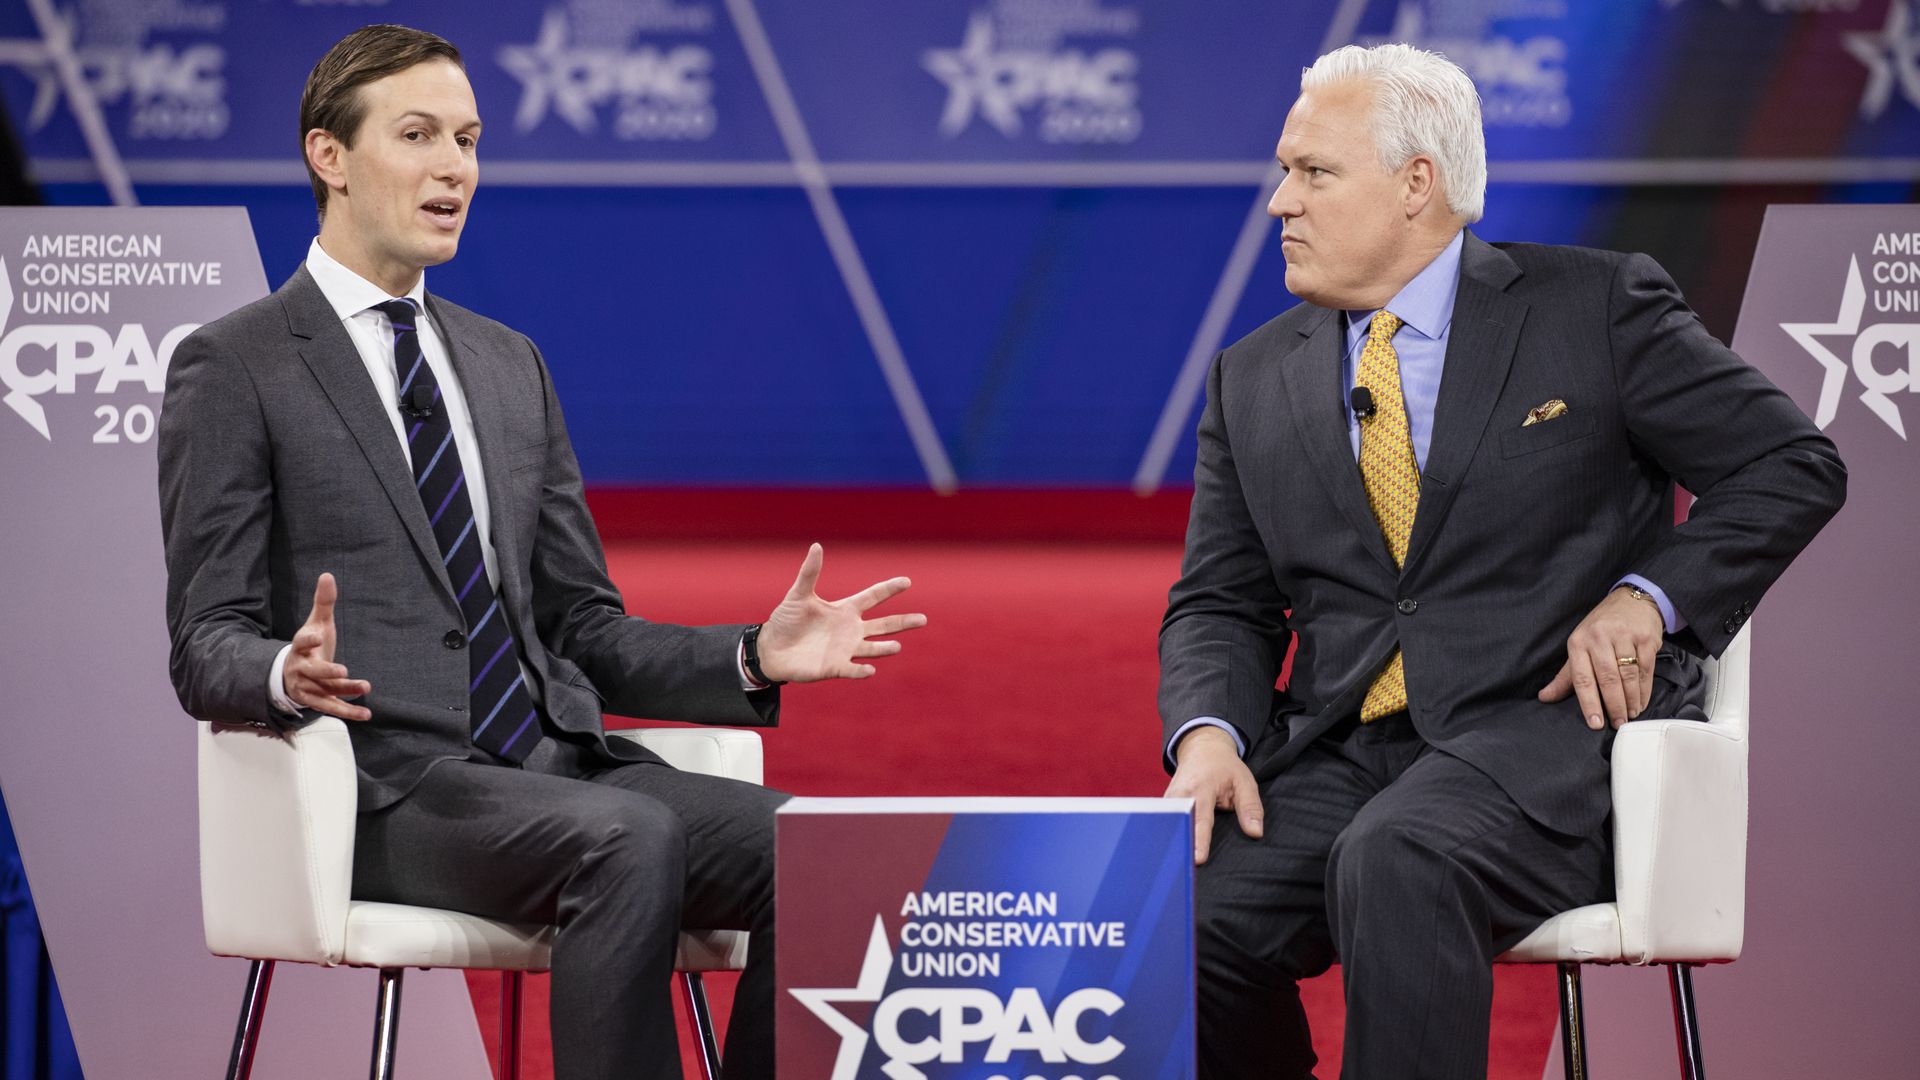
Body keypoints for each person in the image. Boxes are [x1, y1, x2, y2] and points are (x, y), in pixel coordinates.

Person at [157, 24, 925, 1080]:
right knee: (625, 839)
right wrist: (284, 671)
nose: (454, 168)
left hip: (556, 769)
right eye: (418, 135)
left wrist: (750, 657)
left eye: (467, 140)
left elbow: (581, 627)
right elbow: (204, 643)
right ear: (327, 157)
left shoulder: (507, 364)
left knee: (821, 851)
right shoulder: (236, 364)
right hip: (388, 792)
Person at [1158, 43, 1844, 1079]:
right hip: (1347, 750)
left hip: (1546, 743)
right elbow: (1219, 600)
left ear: (1415, 185)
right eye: (1284, 172)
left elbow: (1791, 463)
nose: (1279, 203)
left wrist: (1650, 598)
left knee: (1401, 858)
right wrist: (1207, 737)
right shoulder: (1250, 376)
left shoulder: (1595, 310)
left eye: (1313, 173)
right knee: (1173, 907)